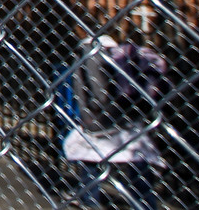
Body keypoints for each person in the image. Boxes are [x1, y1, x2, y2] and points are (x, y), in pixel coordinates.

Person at [62, 29, 168, 210]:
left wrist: (93, 112)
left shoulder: (90, 50)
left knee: (90, 156)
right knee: (135, 156)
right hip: (129, 115)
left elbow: (97, 89)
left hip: (100, 118)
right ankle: (144, 202)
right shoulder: (122, 52)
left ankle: (89, 199)